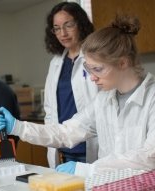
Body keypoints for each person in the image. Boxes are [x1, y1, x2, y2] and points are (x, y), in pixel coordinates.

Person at [0, 14, 155, 178]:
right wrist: (18, 127)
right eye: (88, 69)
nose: (92, 78)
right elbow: (67, 132)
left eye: (98, 69)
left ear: (123, 63)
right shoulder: (104, 99)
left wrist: (89, 169)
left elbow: (152, 159)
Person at [43, 2, 99, 168]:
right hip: (63, 149)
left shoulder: (95, 57)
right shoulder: (55, 63)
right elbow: (49, 108)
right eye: (57, 28)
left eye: (68, 25)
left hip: (91, 145)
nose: (63, 33)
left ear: (80, 24)